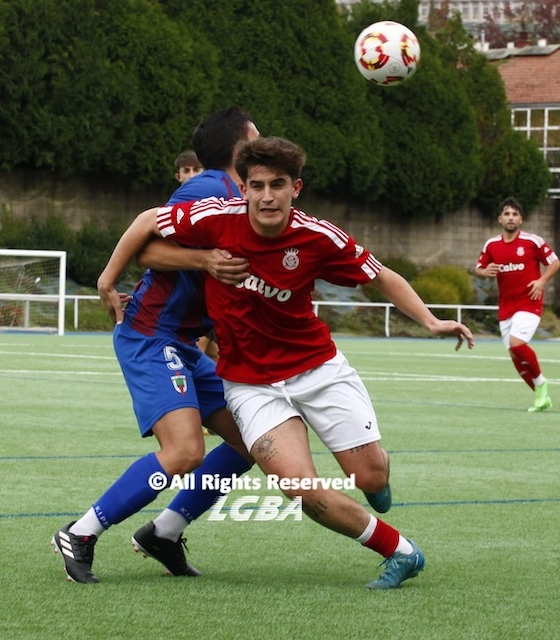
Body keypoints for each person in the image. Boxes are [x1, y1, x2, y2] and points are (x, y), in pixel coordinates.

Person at [97, 137, 475, 590]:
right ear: (245, 190)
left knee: (370, 475)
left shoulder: (318, 237)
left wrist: (431, 321)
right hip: (250, 385)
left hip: (318, 371)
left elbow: (382, 276)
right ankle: (401, 552)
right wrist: (109, 279)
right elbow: (146, 228)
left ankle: (377, 475)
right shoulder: (216, 218)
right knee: (301, 490)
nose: (267, 196)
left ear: (296, 188)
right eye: (257, 185)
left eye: (278, 185)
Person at [51, 107, 259, 584]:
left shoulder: (245, 197)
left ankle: (164, 532)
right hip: (151, 335)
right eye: (256, 135)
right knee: (184, 451)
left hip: (184, 344)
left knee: (251, 442)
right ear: (238, 148)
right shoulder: (210, 186)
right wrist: (108, 279)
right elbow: (148, 231)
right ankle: (80, 533)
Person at [475, 197, 560, 412]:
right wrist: (485, 272)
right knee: (514, 354)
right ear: (500, 219)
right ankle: (541, 397)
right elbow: (479, 267)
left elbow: (555, 262)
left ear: (521, 219)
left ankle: (541, 383)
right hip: (506, 306)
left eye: (514, 214)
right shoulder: (492, 245)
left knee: (517, 344)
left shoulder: (533, 242)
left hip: (529, 302)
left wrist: (542, 281)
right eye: (507, 214)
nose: (510, 217)